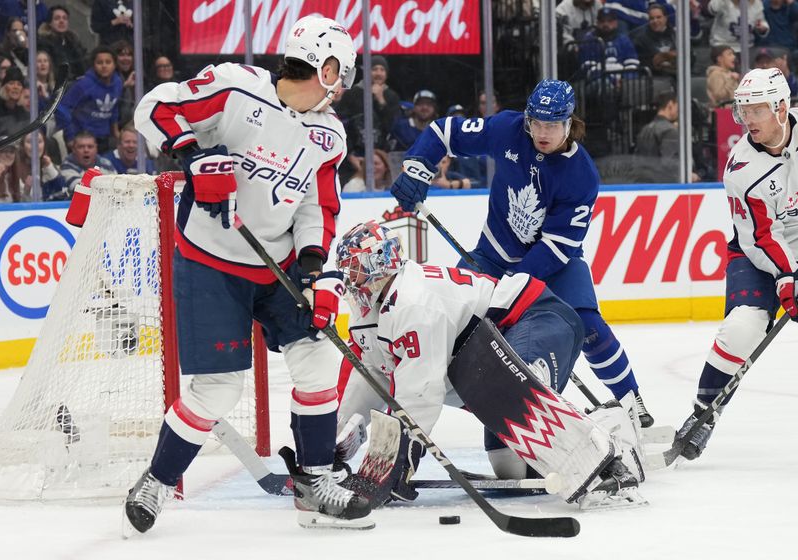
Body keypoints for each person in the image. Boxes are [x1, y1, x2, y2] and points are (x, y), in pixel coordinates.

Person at [125, 16, 372, 534]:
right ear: (325, 69)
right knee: (217, 388)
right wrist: (193, 158)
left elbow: (316, 208)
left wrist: (312, 271)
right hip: (210, 260)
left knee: (317, 360)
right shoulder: (236, 87)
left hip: (277, 266)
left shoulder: (329, 135)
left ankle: (315, 481)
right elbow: (156, 107)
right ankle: (156, 479)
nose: (343, 90)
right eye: (340, 75)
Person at [389, 79, 656, 428]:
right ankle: (436, 408)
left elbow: (557, 246)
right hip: (492, 255)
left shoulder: (582, 175)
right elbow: (444, 132)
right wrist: (418, 168)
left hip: (555, 264)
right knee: (453, 323)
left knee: (588, 324)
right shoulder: (508, 128)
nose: (543, 132)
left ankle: (629, 400)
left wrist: (512, 291)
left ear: (569, 124)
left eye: (553, 125)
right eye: (537, 123)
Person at [334, 220, 645, 509]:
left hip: (537, 316)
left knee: (516, 389)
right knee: (514, 470)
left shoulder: (413, 302)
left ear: (379, 264)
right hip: (483, 360)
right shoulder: (372, 313)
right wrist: (335, 439)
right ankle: (589, 429)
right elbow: (372, 377)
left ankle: (613, 447)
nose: (349, 279)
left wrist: (395, 459)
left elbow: (420, 390)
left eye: (355, 269)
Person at [675, 68, 797, 460]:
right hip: (758, 252)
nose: (746, 120)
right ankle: (703, 414)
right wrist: (788, 276)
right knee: (742, 328)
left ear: (781, 108)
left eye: (756, 110)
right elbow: (761, 236)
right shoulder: (742, 169)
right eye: (743, 111)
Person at [56, 46, 123, 152]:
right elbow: (62, 108)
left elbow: (114, 108)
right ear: (93, 65)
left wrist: (116, 133)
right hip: (82, 139)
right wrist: (70, 136)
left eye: (108, 62)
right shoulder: (84, 85)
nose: (104, 66)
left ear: (114, 65)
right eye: (100, 62)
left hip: (104, 139)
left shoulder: (118, 83)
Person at [38, 5, 87, 79]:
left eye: (65, 18)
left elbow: (83, 63)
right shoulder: (44, 43)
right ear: (50, 23)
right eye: (57, 18)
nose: (61, 21)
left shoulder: (74, 40)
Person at [13, 130, 64, 201]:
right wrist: (26, 191)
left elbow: (61, 191)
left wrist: (50, 168)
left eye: (39, 142)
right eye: (30, 142)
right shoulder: (14, 169)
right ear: (22, 146)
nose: (35, 146)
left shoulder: (50, 166)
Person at [59, 130, 114, 194]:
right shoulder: (66, 166)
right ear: (73, 149)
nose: (86, 150)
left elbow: (116, 187)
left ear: (96, 148)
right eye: (81, 147)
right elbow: (80, 189)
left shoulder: (106, 164)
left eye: (90, 147)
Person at [631, 3, 678, 78]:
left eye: (658, 17)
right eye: (652, 18)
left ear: (665, 18)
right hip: (655, 79)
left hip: (678, 76)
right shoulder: (640, 39)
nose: (655, 21)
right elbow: (642, 62)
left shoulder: (676, 35)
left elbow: (690, 56)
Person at [0, 135, 19, 203]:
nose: (8, 154)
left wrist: (27, 190)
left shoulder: (14, 175)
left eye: (11, 151)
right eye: (3, 151)